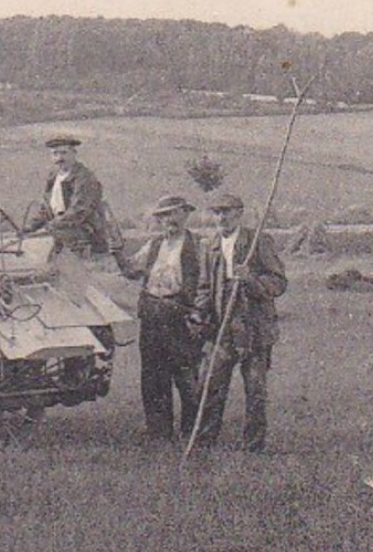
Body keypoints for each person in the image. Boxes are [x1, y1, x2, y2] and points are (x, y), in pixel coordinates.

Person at [192, 192, 287, 453]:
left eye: (227, 211)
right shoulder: (209, 246)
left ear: (239, 213)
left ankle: (253, 447)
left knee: (255, 392)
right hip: (221, 333)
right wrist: (199, 313)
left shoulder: (257, 242)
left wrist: (252, 280)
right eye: (217, 212)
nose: (222, 217)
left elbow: (279, 283)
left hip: (254, 332)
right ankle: (205, 443)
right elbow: (203, 287)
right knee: (210, 389)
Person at [118, 194, 202, 441]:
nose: (170, 220)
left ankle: (192, 432)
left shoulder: (199, 245)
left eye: (175, 213)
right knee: (153, 376)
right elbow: (131, 270)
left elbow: (207, 282)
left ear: (186, 214)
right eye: (164, 216)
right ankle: (158, 431)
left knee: (186, 377)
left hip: (181, 315)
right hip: (153, 315)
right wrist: (115, 251)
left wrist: (199, 314)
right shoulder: (153, 246)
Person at [24, 136, 108, 256]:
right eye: (55, 154)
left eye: (64, 153)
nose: (59, 158)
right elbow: (46, 208)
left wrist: (51, 225)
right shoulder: (53, 177)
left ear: (74, 153)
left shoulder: (84, 177)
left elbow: (79, 210)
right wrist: (31, 226)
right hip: (59, 228)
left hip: (83, 230)